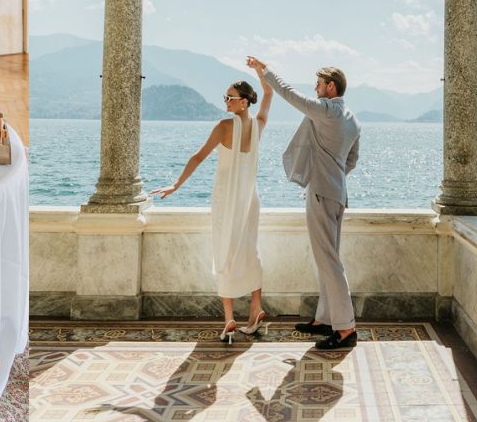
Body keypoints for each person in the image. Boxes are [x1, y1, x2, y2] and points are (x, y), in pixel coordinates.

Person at [248, 57, 361, 352]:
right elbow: (352, 159)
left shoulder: (326, 111)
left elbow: (290, 95)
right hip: (337, 194)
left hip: (322, 194)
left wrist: (265, 72)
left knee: (329, 262)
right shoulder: (352, 119)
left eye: (319, 84)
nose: (315, 88)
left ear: (330, 87)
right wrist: (333, 175)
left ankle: (346, 328)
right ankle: (325, 319)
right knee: (329, 257)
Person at [152, 73, 273, 344]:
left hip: (226, 199)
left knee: (224, 251)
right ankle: (255, 308)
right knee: (250, 249)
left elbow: (198, 156)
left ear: (244, 103)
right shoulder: (259, 125)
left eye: (231, 98)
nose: (226, 101)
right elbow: (269, 94)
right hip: (249, 198)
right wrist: (261, 71)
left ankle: (229, 317)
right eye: (225, 97)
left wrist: (176, 184)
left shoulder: (224, 126)